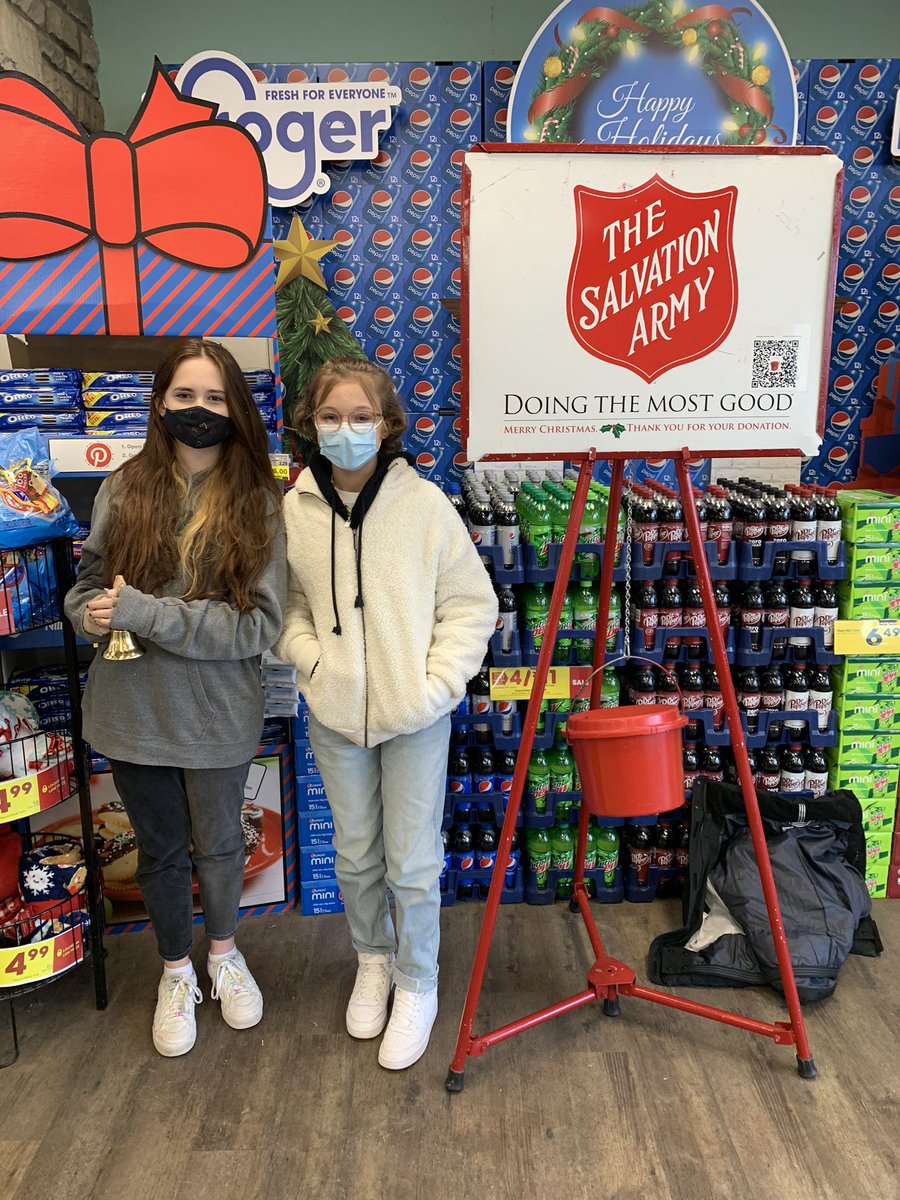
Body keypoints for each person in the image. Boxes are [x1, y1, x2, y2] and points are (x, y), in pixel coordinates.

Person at [64, 339, 286, 1058]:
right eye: (185, 396)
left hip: (217, 712)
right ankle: (175, 972)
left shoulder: (259, 499)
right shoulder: (125, 487)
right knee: (159, 852)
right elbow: (86, 585)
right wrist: (90, 615)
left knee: (221, 846)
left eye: (215, 398)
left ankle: (223, 956)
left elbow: (258, 624)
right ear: (161, 403)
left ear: (237, 408)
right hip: (131, 710)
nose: (199, 410)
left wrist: (148, 615)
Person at [277, 357, 497, 1070]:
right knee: (356, 854)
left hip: (415, 716)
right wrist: (309, 659)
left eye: (360, 416)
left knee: (412, 860)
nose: (346, 429)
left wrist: (434, 687)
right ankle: (373, 959)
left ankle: (419, 981)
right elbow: (287, 605)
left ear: (387, 423)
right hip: (335, 710)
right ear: (311, 424)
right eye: (331, 417)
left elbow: (471, 604)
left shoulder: (425, 505)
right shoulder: (295, 510)